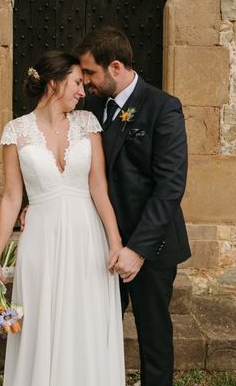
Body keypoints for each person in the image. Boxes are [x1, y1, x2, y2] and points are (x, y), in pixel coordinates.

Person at [0, 50, 126, 386]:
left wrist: (115, 243)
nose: (82, 90)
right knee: (42, 320)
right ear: (54, 82)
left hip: (86, 235)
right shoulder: (16, 131)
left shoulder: (88, 124)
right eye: (77, 82)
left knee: (84, 320)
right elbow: (11, 196)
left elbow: (99, 187)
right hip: (41, 239)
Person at [74, 26, 190, 386]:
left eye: (91, 73)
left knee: (153, 333)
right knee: (95, 329)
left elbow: (170, 186)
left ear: (116, 67)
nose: (85, 82)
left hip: (149, 247)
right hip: (101, 244)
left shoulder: (162, 107)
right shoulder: (90, 106)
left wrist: (137, 250)